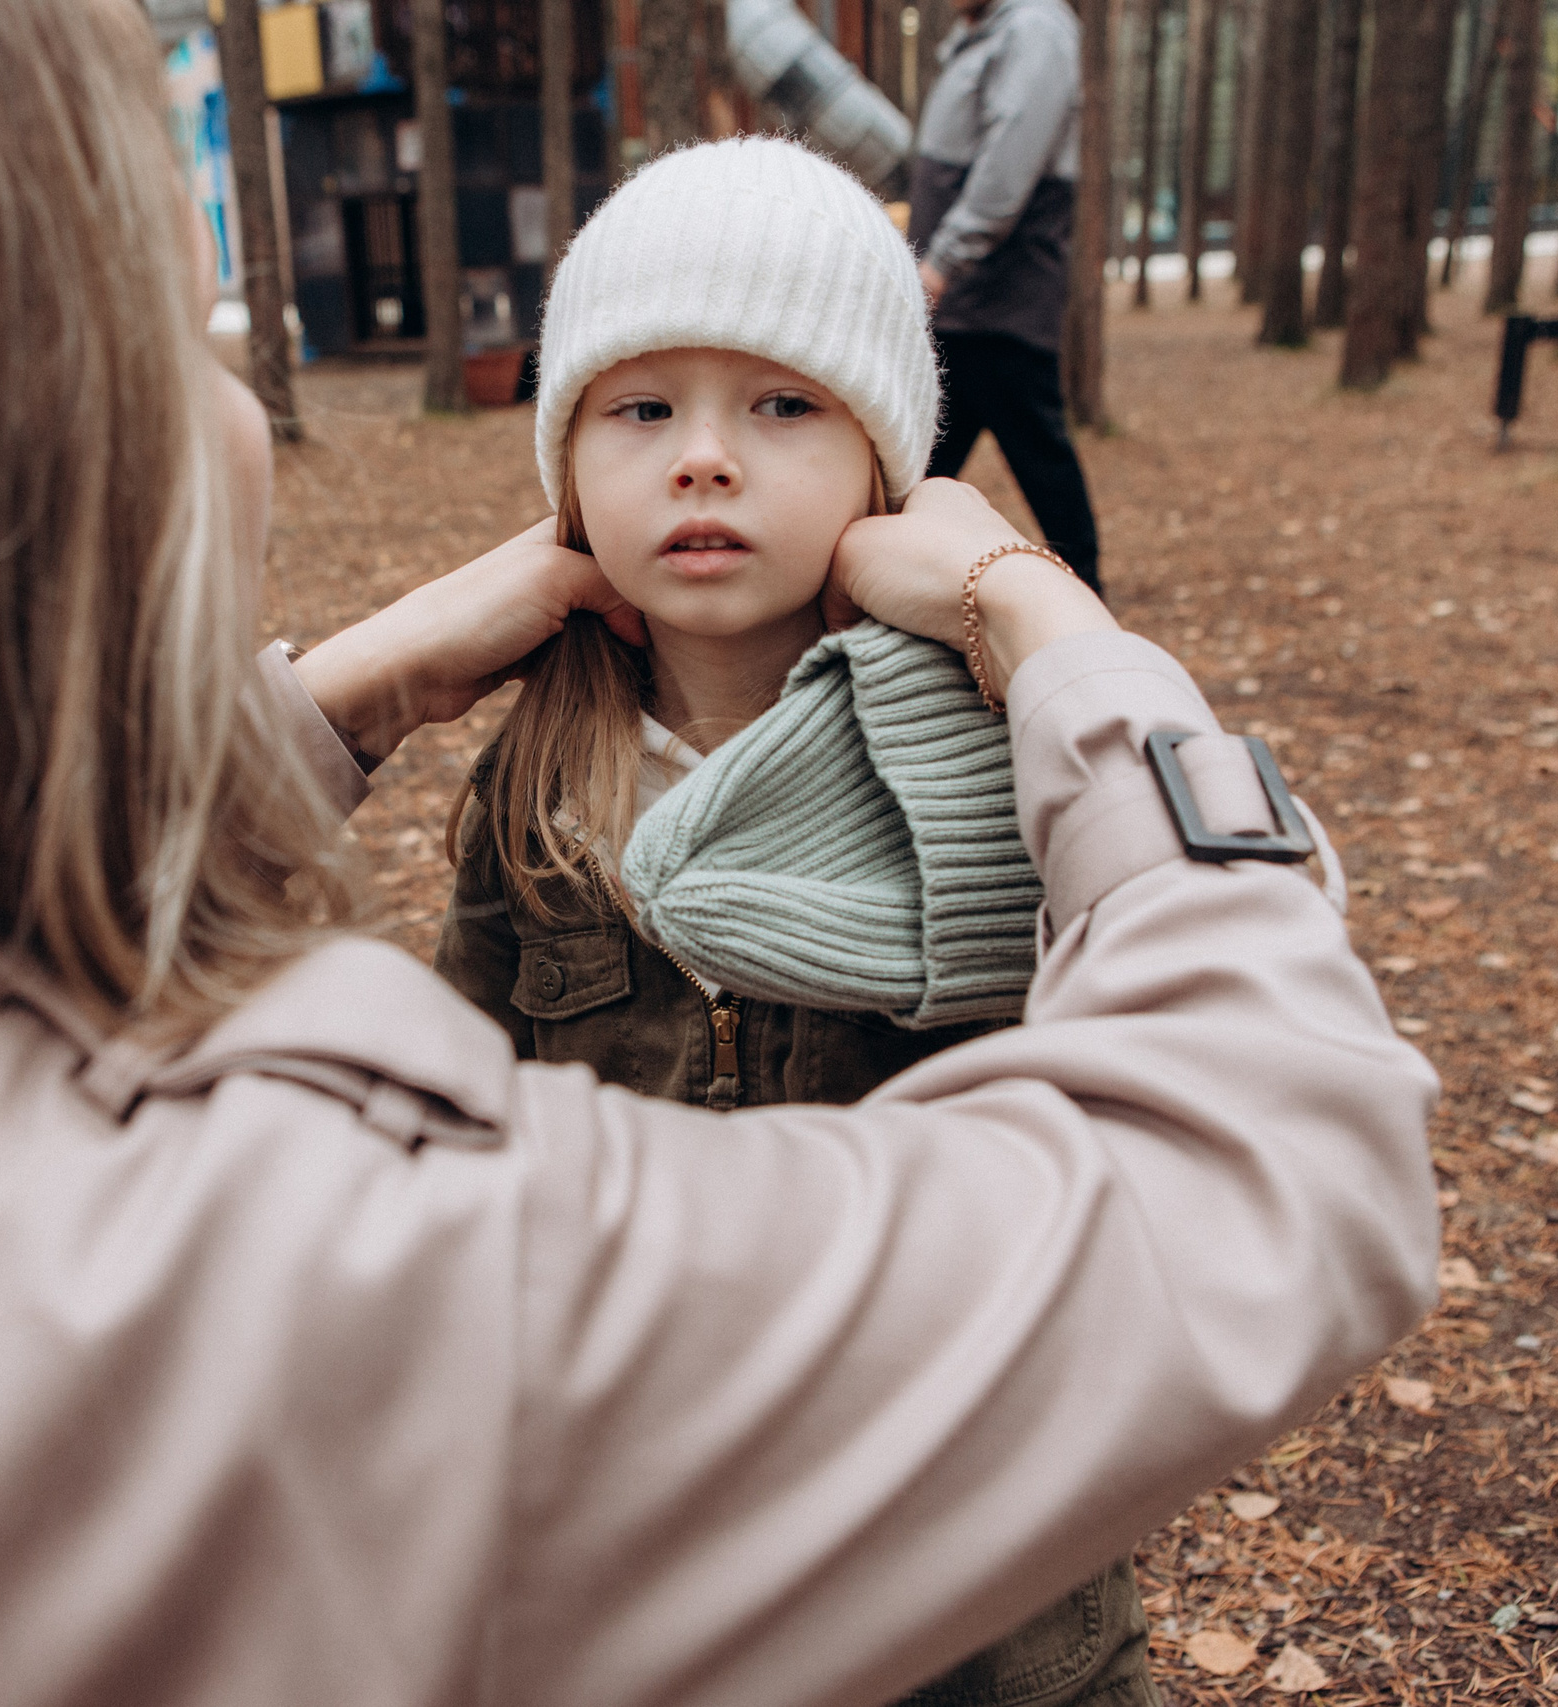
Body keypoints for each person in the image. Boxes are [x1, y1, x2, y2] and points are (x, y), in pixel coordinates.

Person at [0, 1, 1438, 1703]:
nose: (229, 405)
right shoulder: (316, 1298)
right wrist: (1053, 624)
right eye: (171, 316)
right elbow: (1265, 1157)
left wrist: (337, 694)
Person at [431, 138, 1153, 1706]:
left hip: (981, 1581)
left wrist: (1029, 621)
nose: (704, 458)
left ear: (886, 466)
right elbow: (462, 1150)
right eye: (641, 409)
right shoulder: (537, 786)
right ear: (568, 467)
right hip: (653, 1569)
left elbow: (1196, 995)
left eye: (781, 404)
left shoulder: (1006, 746)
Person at [911, 0, 1105, 595]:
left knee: (1038, 465)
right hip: (968, 313)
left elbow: (1008, 167)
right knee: (913, 467)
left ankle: (1088, 611)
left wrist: (942, 264)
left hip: (997, 306)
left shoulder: (1036, 29)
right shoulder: (983, 36)